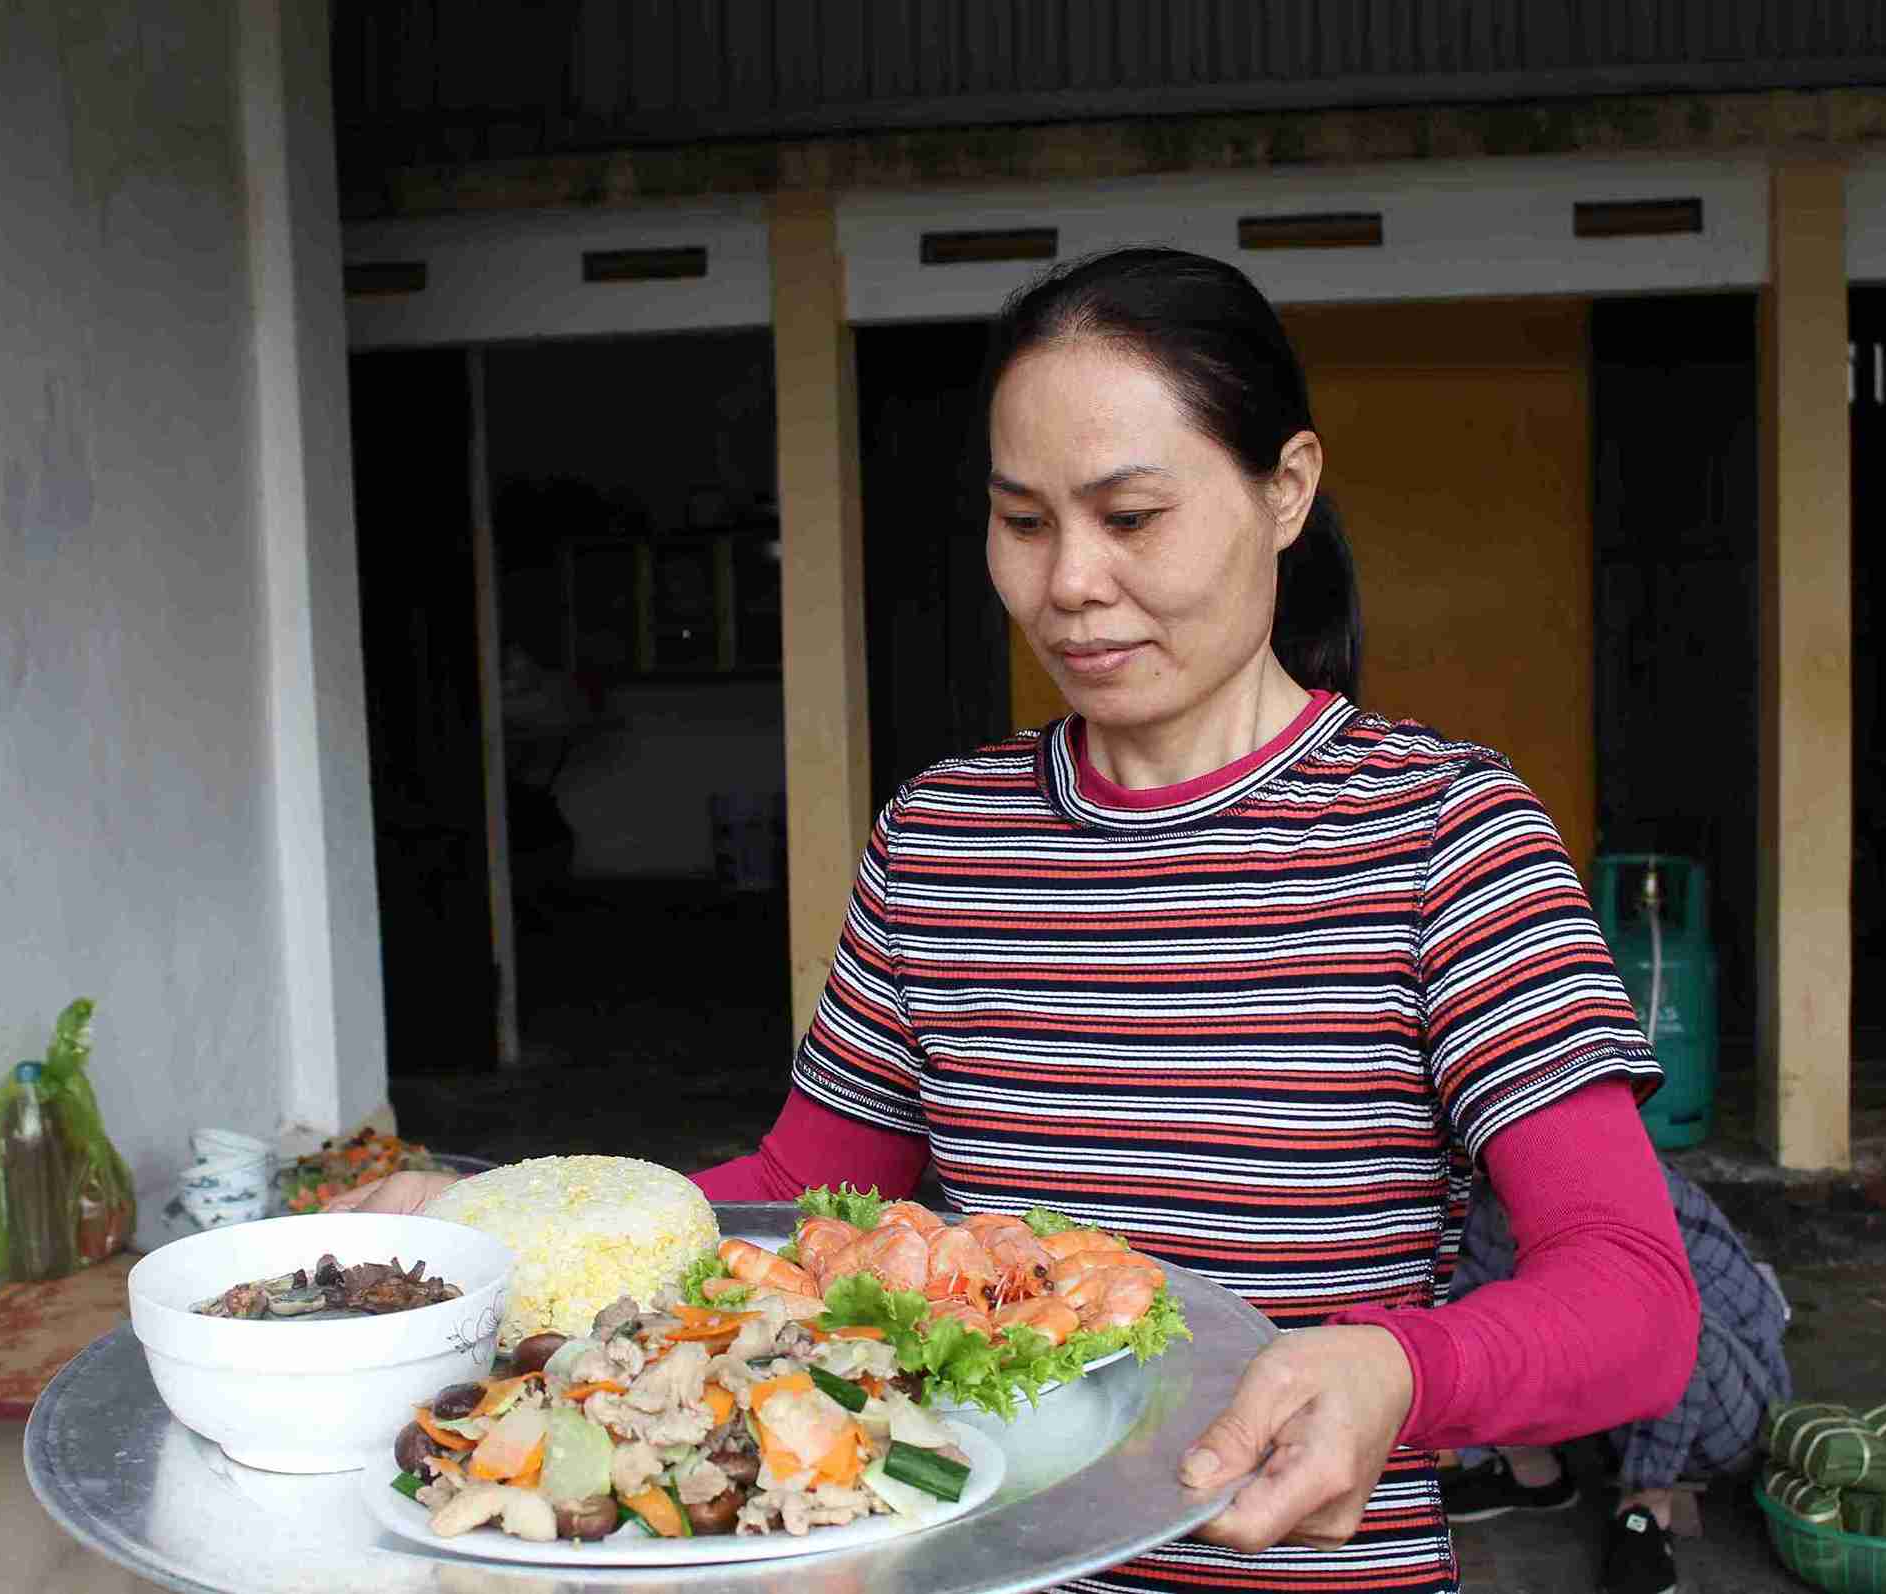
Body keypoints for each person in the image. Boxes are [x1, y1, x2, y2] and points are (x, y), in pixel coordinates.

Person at [336, 247, 1702, 1594]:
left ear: (1285, 490)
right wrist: (504, 1228)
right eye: (1025, 520)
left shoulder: (1441, 836)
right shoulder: (943, 837)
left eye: (1131, 515)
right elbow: (800, 1191)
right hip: (968, 1564)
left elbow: (1638, 1298)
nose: (1069, 584)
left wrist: (1401, 1367)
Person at [1437, 1160, 1792, 1594]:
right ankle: (1533, 1474)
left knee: (1655, 1320)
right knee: (1466, 1300)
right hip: (1617, 1401)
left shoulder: (1592, 1175)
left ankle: (1647, 1504)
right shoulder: (1483, 1190)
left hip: (1722, 1410)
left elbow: (1661, 1328)